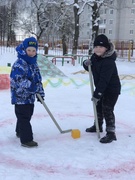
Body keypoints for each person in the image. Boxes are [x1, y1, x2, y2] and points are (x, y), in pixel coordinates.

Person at [83, 34, 121, 143]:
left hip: (111, 90)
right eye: (96, 47)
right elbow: (90, 67)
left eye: (101, 47)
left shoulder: (109, 62)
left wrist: (97, 94)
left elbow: (105, 80)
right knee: (98, 106)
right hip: (101, 87)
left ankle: (111, 132)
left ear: (106, 48)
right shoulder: (95, 57)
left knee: (107, 109)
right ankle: (97, 126)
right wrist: (86, 64)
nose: (98, 49)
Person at [10, 37, 45, 148]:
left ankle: (19, 130)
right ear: (24, 49)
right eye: (29, 50)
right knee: (24, 117)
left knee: (27, 115)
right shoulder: (19, 64)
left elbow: (38, 79)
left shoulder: (33, 63)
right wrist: (32, 87)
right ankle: (26, 139)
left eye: (33, 50)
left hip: (30, 97)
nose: (31, 53)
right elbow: (19, 80)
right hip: (20, 96)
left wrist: (40, 92)